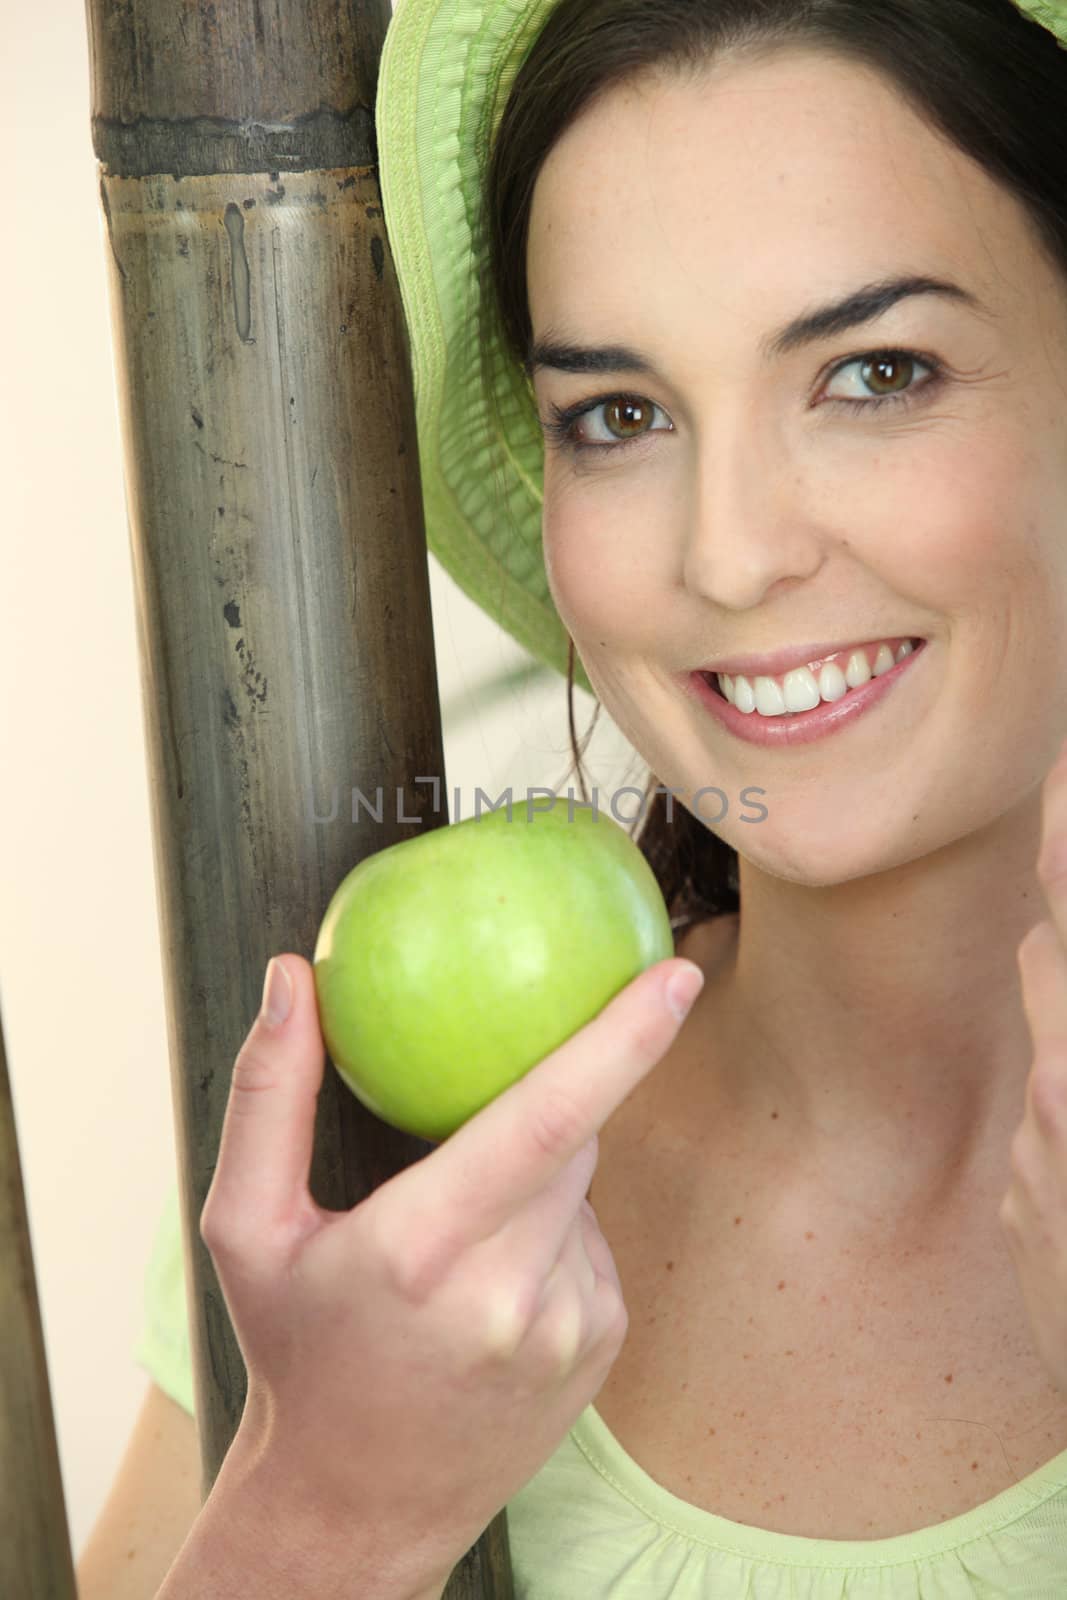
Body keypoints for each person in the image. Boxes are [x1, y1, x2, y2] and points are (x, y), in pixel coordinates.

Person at [74, 0, 1067, 1595]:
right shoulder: (418, 1197)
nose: (729, 556)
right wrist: (327, 1507)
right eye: (619, 417)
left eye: (877, 372)